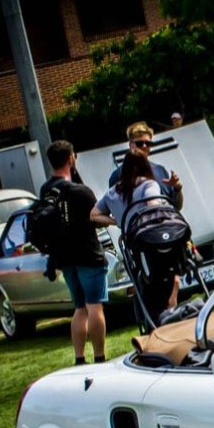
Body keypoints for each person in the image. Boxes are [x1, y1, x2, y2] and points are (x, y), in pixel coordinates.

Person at [42, 140, 107, 366]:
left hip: (64, 258)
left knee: (79, 309)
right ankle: (100, 356)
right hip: (88, 254)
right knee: (94, 306)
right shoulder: (80, 191)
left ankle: (79, 358)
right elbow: (97, 217)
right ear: (71, 159)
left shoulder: (46, 190)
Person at [92, 152, 177, 320]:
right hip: (153, 239)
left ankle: (148, 318)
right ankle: (170, 313)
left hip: (131, 244)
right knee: (170, 278)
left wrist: (115, 221)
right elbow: (153, 204)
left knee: (143, 283)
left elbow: (93, 215)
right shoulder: (148, 185)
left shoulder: (112, 192)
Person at [108, 122, 183, 210]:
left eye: (148, 143)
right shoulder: (118, 175)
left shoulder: (160, 170)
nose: (144, 146)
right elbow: (115, 210)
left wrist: (177, 188)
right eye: (140, 143)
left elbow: (177, 206)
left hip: (166, 221)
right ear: (131, 145)